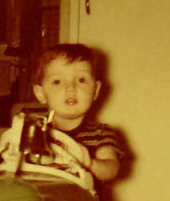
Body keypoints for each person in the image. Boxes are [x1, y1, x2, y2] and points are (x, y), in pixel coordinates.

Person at [32, 43, 123, 181]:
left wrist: (90, 163)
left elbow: (111, 169)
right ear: (41, 93)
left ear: (96, 91)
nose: (70, 88)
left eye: (81, 80)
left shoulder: (100, 134)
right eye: (57, 82)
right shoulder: (34, 130)